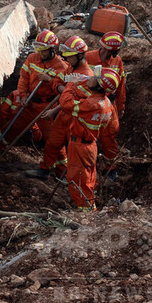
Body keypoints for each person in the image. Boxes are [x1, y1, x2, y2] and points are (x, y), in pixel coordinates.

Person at [0, 29, 67, 152]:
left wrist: (49, 80)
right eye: (38, 48)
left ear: (51, 49)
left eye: (43, 49)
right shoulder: (33, 58)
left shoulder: (61, 67)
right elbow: (23, 78)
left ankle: (57, 168)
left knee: (52, 138)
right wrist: (23, 95)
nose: (40, 53)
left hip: (46, 107)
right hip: (29, 102)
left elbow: (62, 89)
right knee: (12, 127)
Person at [26, 36, 94, 180]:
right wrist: (64, 88)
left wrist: (61, 95)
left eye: (70, 57)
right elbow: (57, 82)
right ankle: (45, 170)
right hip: (63, 113)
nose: (67, 60)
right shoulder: (70, 68)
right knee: (52, 142)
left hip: (76, 119)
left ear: (80, 56)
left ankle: (74, 179)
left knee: (73, 149)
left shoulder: (86, 76)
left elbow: (74, 101)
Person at [60, 68, 120, 210]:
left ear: (99, 86)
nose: (91, 78)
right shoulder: (106, 103)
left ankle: (87, 212)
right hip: (91, 146)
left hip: (80, 146)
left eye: (95, 78)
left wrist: (71, 84)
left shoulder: (92, 104)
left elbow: (65, 103)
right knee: (88, 179)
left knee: (77, 180)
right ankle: (90, 205)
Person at [85, 31, 127, 179]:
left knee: (110, 135)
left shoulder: (117, 62)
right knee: (88, 136)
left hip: (110, 104)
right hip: (91, 103)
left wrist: (121, 106)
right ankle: (89, 167)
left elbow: (121, 85)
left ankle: (111, 168)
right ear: (112, 49)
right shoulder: (88, 58)